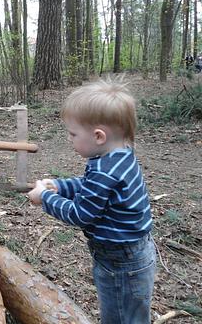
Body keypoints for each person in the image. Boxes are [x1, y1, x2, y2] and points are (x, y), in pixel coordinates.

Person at [27, 81, 156, 324]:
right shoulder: (118, 156)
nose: (69, 138)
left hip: (121, 263)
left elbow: (80, 214)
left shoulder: (105, 170)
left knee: (120, 318)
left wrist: (45, 197)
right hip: (130, 254)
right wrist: (61, 186)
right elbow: (92, 187)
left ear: (98, 136)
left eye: (73, 134)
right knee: (130, 316)